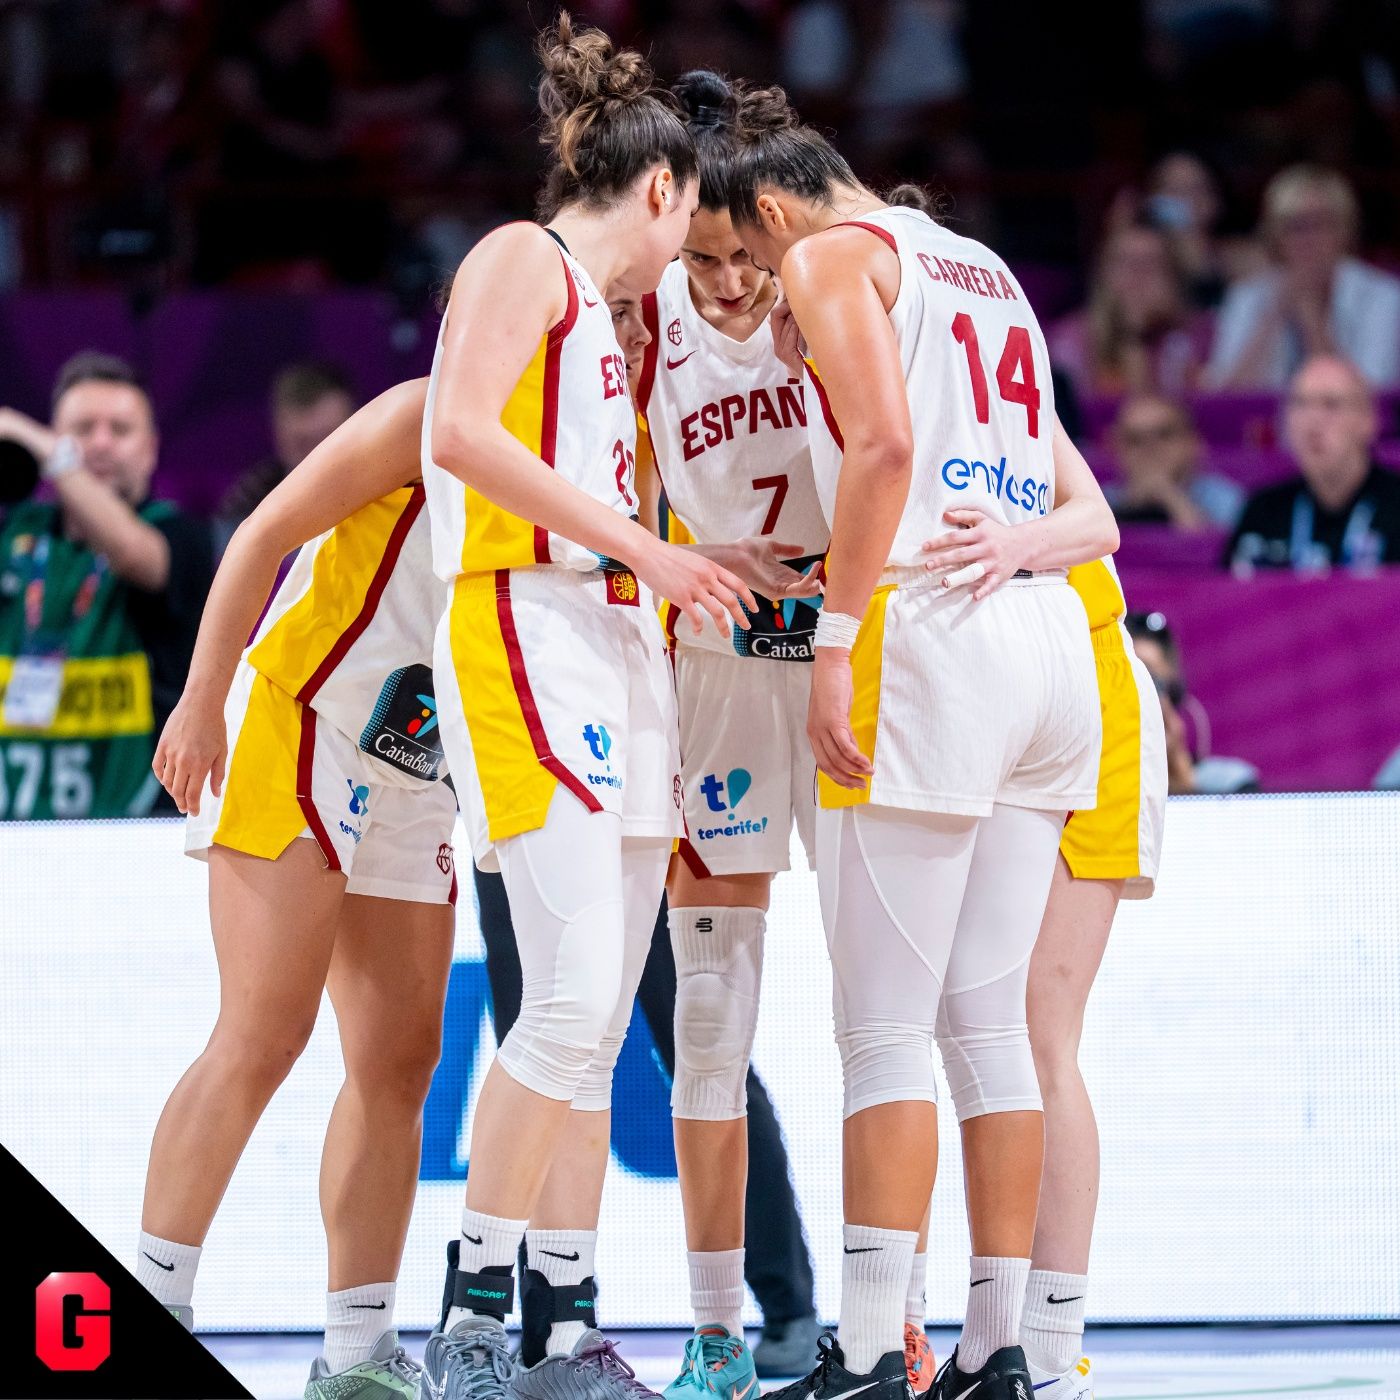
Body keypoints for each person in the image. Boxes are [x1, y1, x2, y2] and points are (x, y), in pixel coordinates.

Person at [722, 85, 1117, 1400]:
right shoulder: (982, 264)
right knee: (988, 1027)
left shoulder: (832, 253)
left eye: (751, 253)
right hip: (1042, 634)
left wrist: (833, 643)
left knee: (883, 1033)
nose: (759, 284)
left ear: (771, 209)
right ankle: (998, 1352)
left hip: (926, 632)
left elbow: (885, 445)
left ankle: (859, 1354)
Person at [417, 17, 752, 1400]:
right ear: (661, 188)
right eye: (691, 220)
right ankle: (468, 1320)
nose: (688, 250)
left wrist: (688, 566)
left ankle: (561, 1327)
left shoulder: (610, 331)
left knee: (598, 1023)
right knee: (557, 1003)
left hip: (612, 640)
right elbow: (455, 431)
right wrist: (641, 548)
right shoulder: (522, 256)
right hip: (523, 621)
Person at [472, 289, 821, 1386]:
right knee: (547, 1037)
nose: (628, 339)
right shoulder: (495, 423)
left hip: (653, 746)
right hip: (531, 735)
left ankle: (784, 1301)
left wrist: (704, 561)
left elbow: (639, 574)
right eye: (611, 320)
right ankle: (512, 1322)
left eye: (636, 320)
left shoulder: (638, 415)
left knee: (701, 1034)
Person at [137, 378, 458, 1400]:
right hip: (303, 715)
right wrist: (200, 698)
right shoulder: (422, 411)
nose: (624, 332)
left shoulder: (601, 430)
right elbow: (261, 532)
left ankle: (359, 1355)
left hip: (424, 754)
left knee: (401, 1060)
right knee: (263, 1033)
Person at [632, 71, 827, 1400]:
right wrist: (688, 569)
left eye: (744, 257)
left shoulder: (836, 290)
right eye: (703, 259)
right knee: (707, 1015)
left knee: (892, 1006)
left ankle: (890, 1319)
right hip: (719, 672)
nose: (729, 283)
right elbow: (612, 509)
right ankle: (714, 1337)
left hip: (849, 658)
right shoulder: (644, 318)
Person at [1018, 554, 1167, 1400]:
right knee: (943, 1032)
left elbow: (1097, 524)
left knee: (1039, 1036)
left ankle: (1048, 1349)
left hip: (1082, 681)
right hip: (983, 688)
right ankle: (925, 1333)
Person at [0, 352, 213, 818]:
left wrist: (55, 455)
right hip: (12, 827)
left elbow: (134, 555)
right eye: (82, 429)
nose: (100, 443)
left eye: (119, 430)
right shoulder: (16, 534)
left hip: (136, 825)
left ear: (150, 449)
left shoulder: (180, 536)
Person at [1206, 166, 1400, 390]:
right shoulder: (1247, 295)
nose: (1309, 239)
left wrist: (1311, 317)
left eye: (1321, 223)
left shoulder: (1384, 297)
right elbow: (1225, 396)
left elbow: (1365, 398)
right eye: (1295, 226)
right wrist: (1272, 316)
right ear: (1275, 236)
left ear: (1345, 230)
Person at [1226, 355, 1400, 570]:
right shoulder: (1263, 511)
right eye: (1301, 404)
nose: (1313, 420)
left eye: (1331, 404)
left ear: (1368, 419)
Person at [1049, 221, 1210, 400]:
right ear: (1102, 274)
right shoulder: (1070, 340)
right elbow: (1068, 410)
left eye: (1150, 263)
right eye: (1124, 262)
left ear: (1173, 277)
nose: (1136, 276)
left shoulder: (1200, 337)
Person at [1125, 611, 1258, 796]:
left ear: (1172, 690)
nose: (1142, 692)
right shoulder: (1101, 784)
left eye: (1151, 678)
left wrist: (1180, 772)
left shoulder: (1232, 782)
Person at [218, 360, 357, 533]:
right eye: (303, 443)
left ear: (354, 424)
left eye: (327, 438)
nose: (316, 456)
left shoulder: (379, 489)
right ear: (278, 431)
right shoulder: (252, 495)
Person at [1105, 393, 1243, 531]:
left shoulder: (1228, 500)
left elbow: (1219, 544)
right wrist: (1129, 506)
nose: (1150, 447)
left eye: (1164, 434)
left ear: (1192, 442)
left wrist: (1168, 495)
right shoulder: (1100, 501)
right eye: (1135, 440)